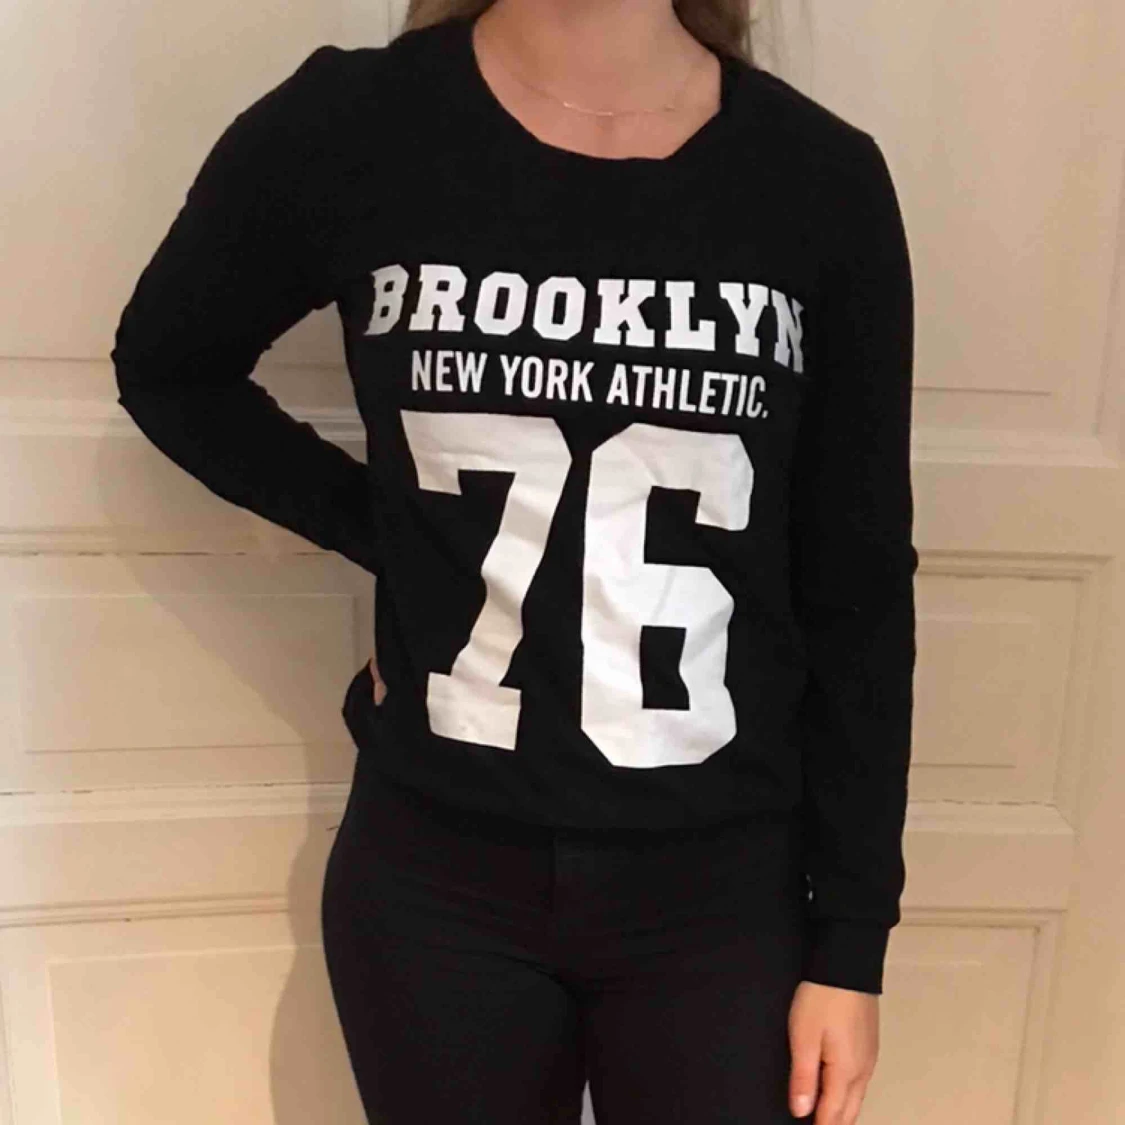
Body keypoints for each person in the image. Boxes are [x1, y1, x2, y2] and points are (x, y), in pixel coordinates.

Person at [110, 0, 918, 1121]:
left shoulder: (819, 178)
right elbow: (170, 365)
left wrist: (852, 940)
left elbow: (857, 582)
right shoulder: (353, 124)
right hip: (435, 879)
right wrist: (389, 533)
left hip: (725, 896)